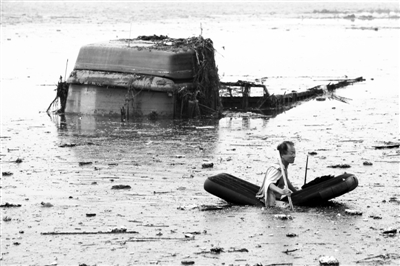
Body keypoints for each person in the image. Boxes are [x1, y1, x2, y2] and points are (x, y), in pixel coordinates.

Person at [256, 141, 298, 207]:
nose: (294, 156)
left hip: (277, 199)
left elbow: (285, 180)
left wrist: (296, 192)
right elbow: (269, 183)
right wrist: (281, 191)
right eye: (292, 153)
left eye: (294, 153)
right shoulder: (276, 168)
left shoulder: (284, 166)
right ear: (283, 155)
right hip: (269, 200)